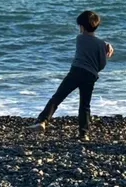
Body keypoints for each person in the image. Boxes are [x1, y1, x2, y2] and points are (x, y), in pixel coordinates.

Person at [34, 10, 114, 142]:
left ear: (81, 27)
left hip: (76, 71)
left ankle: (42, 121)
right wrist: (106, 46)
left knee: (58, 97)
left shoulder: (80, 38)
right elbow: (102, 64)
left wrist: (106, 44)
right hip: (91, 75)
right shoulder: (101, 44)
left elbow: (88, 39)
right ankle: (84, 134)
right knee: (85, 105)